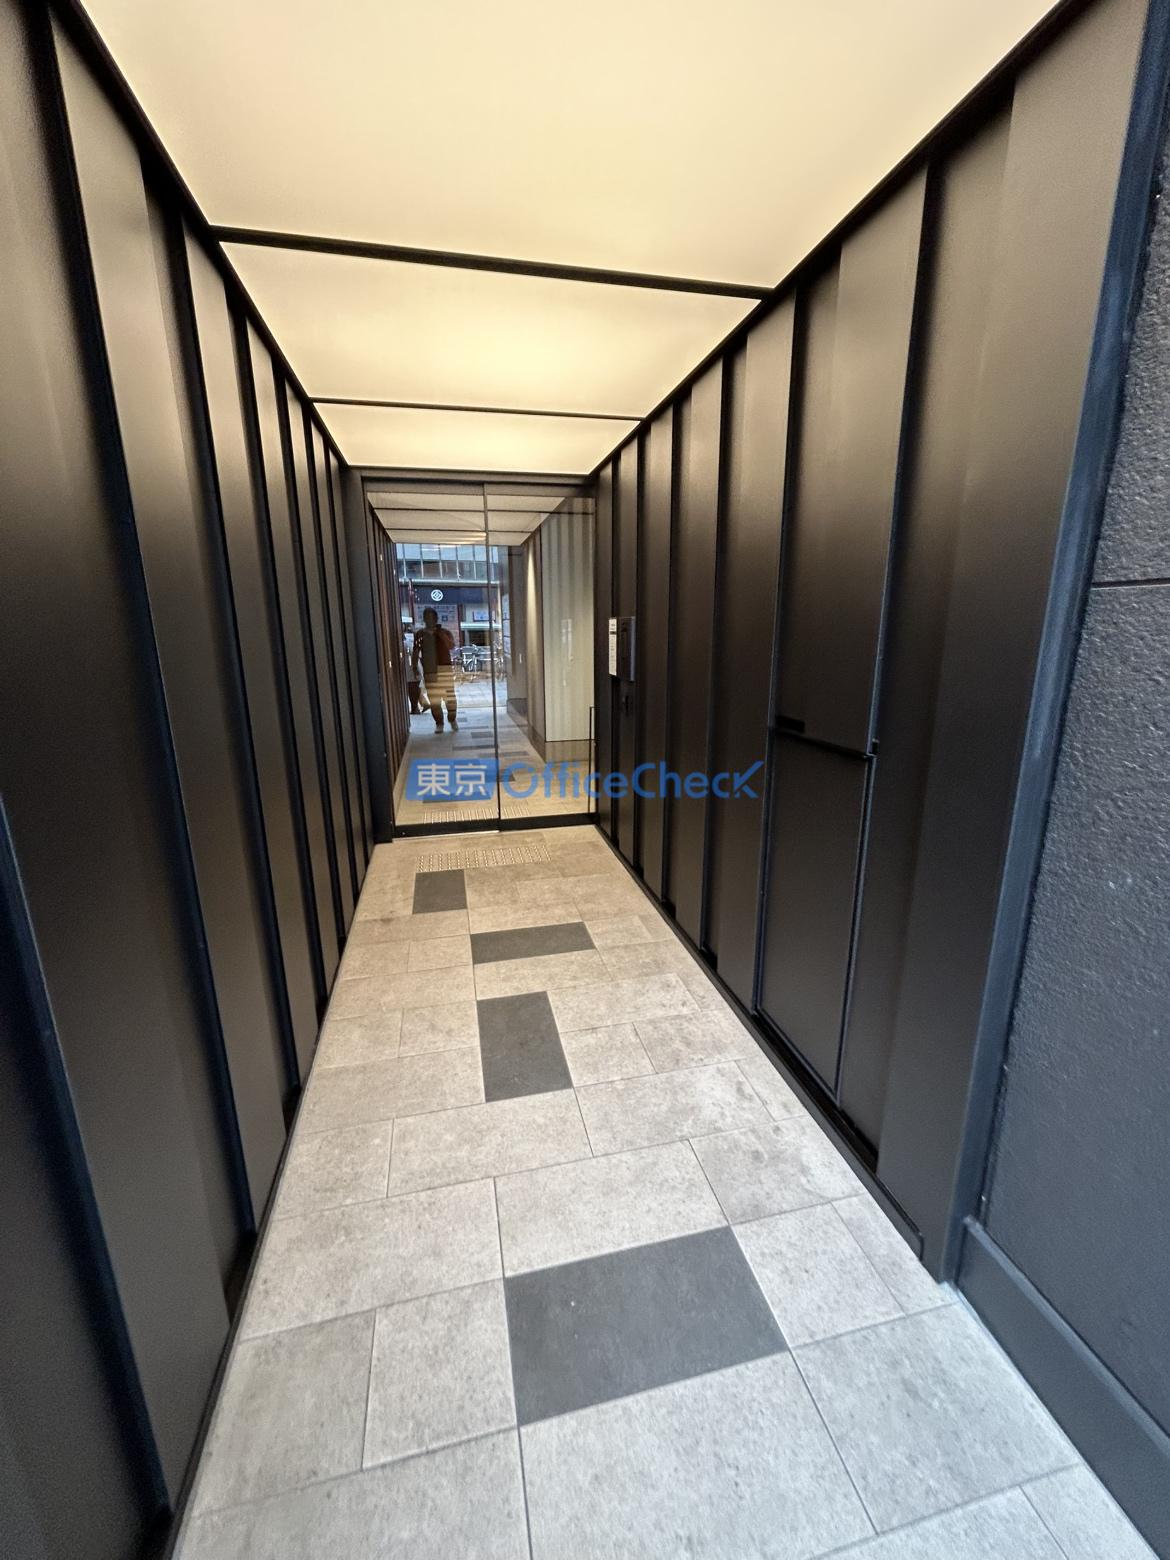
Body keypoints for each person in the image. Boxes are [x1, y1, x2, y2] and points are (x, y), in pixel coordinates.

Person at [412, 607, 458, 732]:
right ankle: (439, 723)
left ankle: (452, 719)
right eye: (427, 618)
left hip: (445, 669)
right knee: (434, 699)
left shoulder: (445, 632)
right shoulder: (420, 634)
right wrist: (414, 667)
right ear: (424, 619)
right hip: (429, 671)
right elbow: (415, 651)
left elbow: (451, 646)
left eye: (432, 617)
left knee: (449, 697)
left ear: (436, 619)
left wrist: (440, 634)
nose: (430, 620)